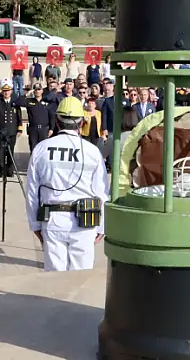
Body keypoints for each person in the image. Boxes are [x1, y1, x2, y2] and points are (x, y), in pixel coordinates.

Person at [25, 96, 109, 271]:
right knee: (81, 278)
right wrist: (102, 225)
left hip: (53, 220)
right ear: (81, 123)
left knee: (54, 278)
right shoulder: (92, 151)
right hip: (85, 221)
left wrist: (35, 224)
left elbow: (32, 192)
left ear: (57, 121)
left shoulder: (41, 149)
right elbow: (101, 192)